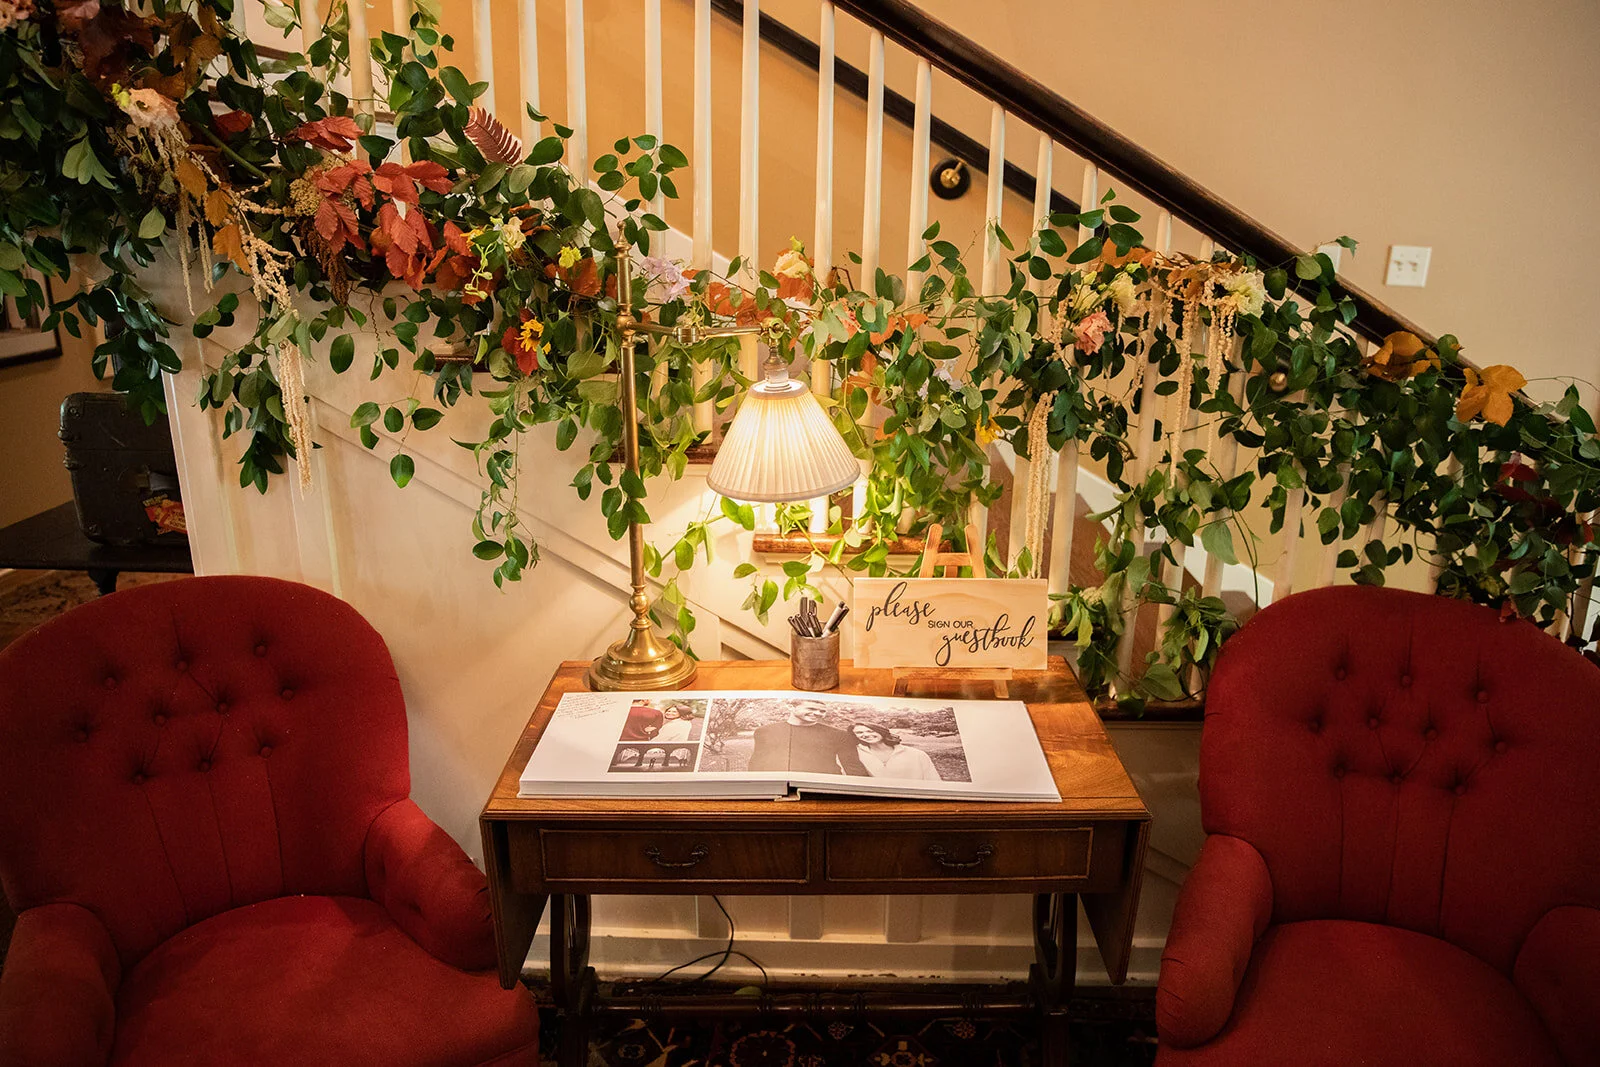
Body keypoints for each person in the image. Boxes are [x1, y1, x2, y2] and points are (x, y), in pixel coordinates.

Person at [747, 700, 869, 775]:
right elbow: (756, 763)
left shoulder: (840, 735)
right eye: (811, 708)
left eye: (822, 711)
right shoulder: (764, 731)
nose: (818, 713)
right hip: (779, 787)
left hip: (823, 790)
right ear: (792, 707)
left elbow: (854, 768)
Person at [850, 722, 941, 781]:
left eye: (870, 731)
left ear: (881, 732)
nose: (865, 735)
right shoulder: (854, 754)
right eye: (859, 733)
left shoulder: (917, 754)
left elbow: (934, 780)